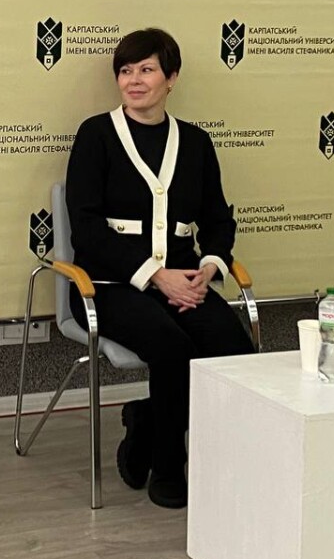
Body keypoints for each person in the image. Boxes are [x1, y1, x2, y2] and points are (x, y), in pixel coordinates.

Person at [65, 28, 254, 509]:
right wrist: (154, 275)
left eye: (146, 69)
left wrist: (209, 267)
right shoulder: (95, 135)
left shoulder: (196, 142)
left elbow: (218, 219)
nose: (133, 80)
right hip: (107, 286)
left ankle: (149, 421)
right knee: (172, 348)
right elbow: (86, 228)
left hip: (186, 283)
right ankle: (168, 466)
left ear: (171, 78)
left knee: (235, 349)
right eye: (125, 71)